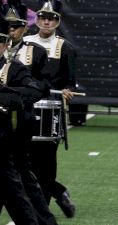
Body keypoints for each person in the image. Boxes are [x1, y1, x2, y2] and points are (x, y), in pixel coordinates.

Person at [2, 1, 58, 224]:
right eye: (8, 26)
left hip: (21, 121)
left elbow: (43, 86)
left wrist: (13, 95)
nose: (11, 30)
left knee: (24, 175)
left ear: (25, 27)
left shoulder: (35, 51)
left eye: (16, 26)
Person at [24, 0, 77, 218]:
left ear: (58, 21)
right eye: (43, 17)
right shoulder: (23, 43)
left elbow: (70, 82)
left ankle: (42, 208)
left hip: (51, 110)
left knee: (46, 162)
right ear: (36, 19)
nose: (47, 21)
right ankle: (58, 191)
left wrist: (67, 91)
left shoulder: (65, 47)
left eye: (51, 18)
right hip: (24, 107)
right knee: (23, 162)